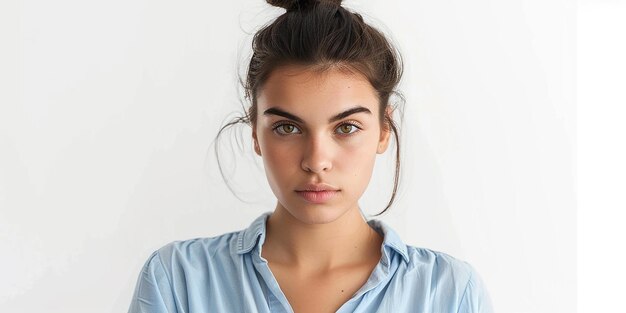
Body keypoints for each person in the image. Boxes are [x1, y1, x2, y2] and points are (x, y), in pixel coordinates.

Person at [127, 0, 494, 312]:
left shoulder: (447, 294)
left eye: (346, 128)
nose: (316, 161)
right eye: (288, 128)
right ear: (255, 131)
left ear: (384, 129)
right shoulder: (178, 282)